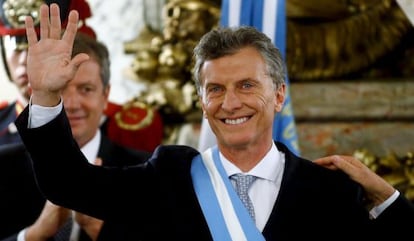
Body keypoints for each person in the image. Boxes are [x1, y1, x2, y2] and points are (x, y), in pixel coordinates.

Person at [15, 3, 414, 241]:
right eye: (216, 89)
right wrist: (47, 95)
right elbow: (68, 183)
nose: (231, 102)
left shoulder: (328, 191)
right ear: (203, 103)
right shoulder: (169, 176)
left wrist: (387, 199)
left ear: (279, 95)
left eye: (246, 85)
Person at [0, 29, 151, 241]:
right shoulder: (5, 167)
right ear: (41, 93)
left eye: (86, 89)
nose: (71, 104)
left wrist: (100, 229)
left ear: (105, 95)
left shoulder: (144, 171)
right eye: (60, 89)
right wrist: (34, 235)